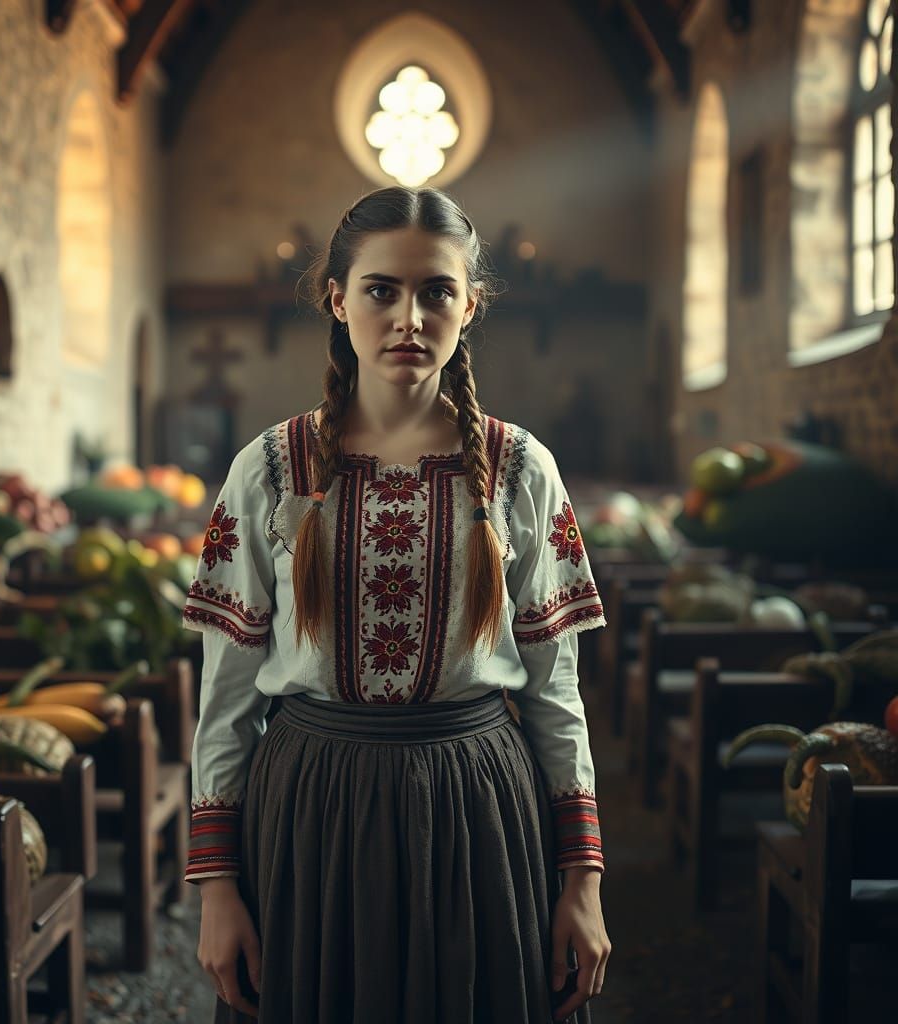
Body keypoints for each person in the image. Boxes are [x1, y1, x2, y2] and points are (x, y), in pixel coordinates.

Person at [183, 186, 612, 1024]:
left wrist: (583, 881)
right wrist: (217, 888)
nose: (409, 318)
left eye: (436, 291)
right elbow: (226, 699)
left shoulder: (521, 468)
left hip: (477, 809)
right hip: (311, 809)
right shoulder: (268, 468)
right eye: (381, 289)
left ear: (469, 305)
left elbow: (555, 692)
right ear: (338, 300)